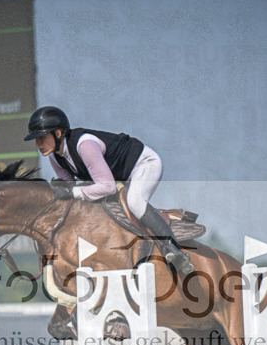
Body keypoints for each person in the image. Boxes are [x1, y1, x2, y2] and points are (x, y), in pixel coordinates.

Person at [23, 105, 194, 276]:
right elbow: (70, 188)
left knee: (134, 201)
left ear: (58, 133)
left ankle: (175, 251)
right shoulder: (55, 157)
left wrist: (72, 192)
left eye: (41, 137)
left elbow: (107, 187)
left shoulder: (84, 145)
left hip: (143, 164)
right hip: (119, 176)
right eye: (36, 139)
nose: (38, 143)